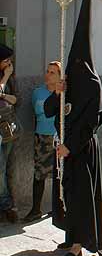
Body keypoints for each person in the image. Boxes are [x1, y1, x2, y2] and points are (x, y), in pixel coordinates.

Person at [44, 0, 102, 256]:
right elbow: (50, 109)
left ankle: (80, 246)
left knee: (81, 197)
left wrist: (72, 144)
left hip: (81, 148)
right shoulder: (69, 82)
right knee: (65, 193)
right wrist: (59, 91)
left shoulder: (91, 84)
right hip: (65, 147)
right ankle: (71, 235)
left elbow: (93, 120)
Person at [23, 61, 61, 222]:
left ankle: (58, 208)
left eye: (52, 72)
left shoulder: (64, 93)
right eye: (47, 71)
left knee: (58, 174)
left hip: (58, 137)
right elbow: (36, 113)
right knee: (39, 173)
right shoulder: (37, 93)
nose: (47, 75)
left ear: (60, 76)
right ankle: (36, 209)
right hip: (41, 137)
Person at [0, 44, 20, 223]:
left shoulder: (10, 79)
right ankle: (6, 205)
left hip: (7, 128)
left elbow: (16, 99)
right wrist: (5, 77)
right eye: (6, 60)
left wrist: (4, 96)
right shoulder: (6, 76)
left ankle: (5, 205)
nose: (9, 64)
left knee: (4, 167)